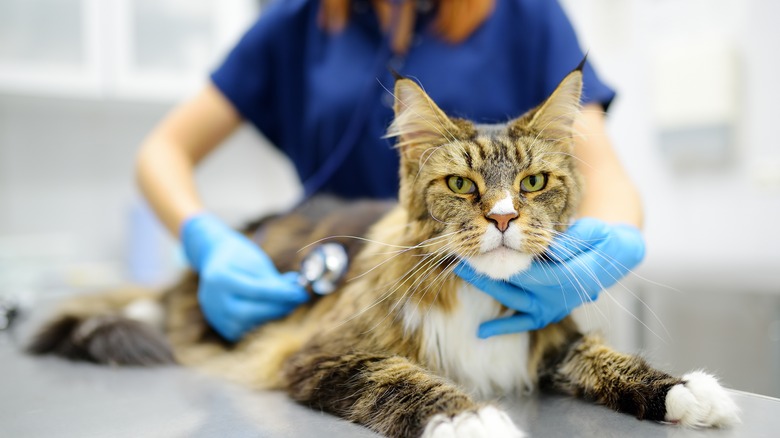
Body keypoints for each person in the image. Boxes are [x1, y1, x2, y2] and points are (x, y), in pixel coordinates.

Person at [135, 0, 645, 342]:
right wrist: (206, 239)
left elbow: (601, 172)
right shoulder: (296, 21)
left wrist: (612, 244)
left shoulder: (526, 14)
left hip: (493, 289)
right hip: (340, 281)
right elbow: (162, 151)